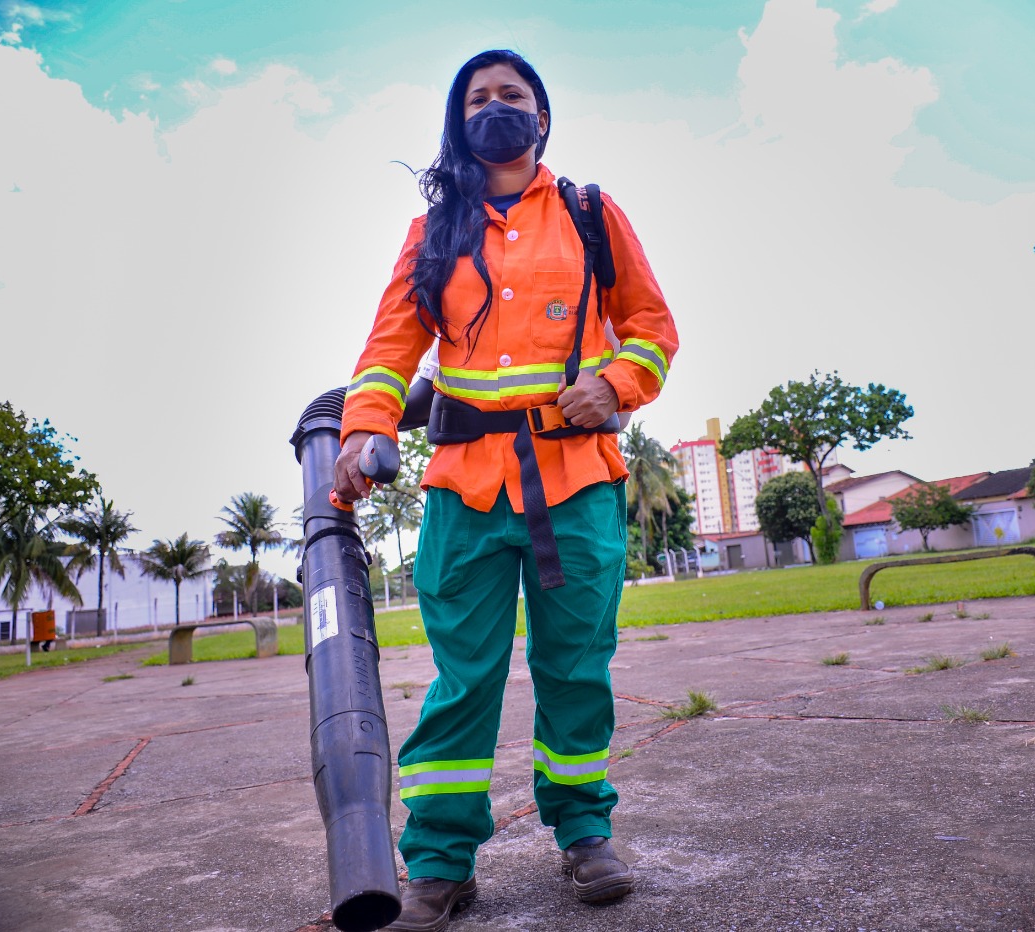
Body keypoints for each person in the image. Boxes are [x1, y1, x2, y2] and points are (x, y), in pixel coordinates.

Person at [333, 49, 678, 932]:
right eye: (479, 99)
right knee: (464, 679)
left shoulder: (591, 215)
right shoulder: (432, 232)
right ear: (460, 124)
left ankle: (585, 832)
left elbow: (651, 326)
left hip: (577, 486)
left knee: (574, 669)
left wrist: (620, 385)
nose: (497, 108)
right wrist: (366, 425)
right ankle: (441, 862)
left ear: (542, 118)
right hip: (464, 491)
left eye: (512, 96)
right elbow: (390, 347)